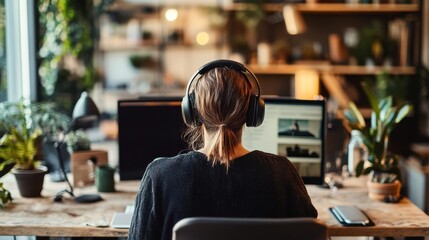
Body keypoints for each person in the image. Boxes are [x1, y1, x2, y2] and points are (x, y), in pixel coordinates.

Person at [128, 60, 317, 240]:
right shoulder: (282, 173)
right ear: (253, 112)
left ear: (192, 112)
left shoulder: (159, 176)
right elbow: (311, 233)